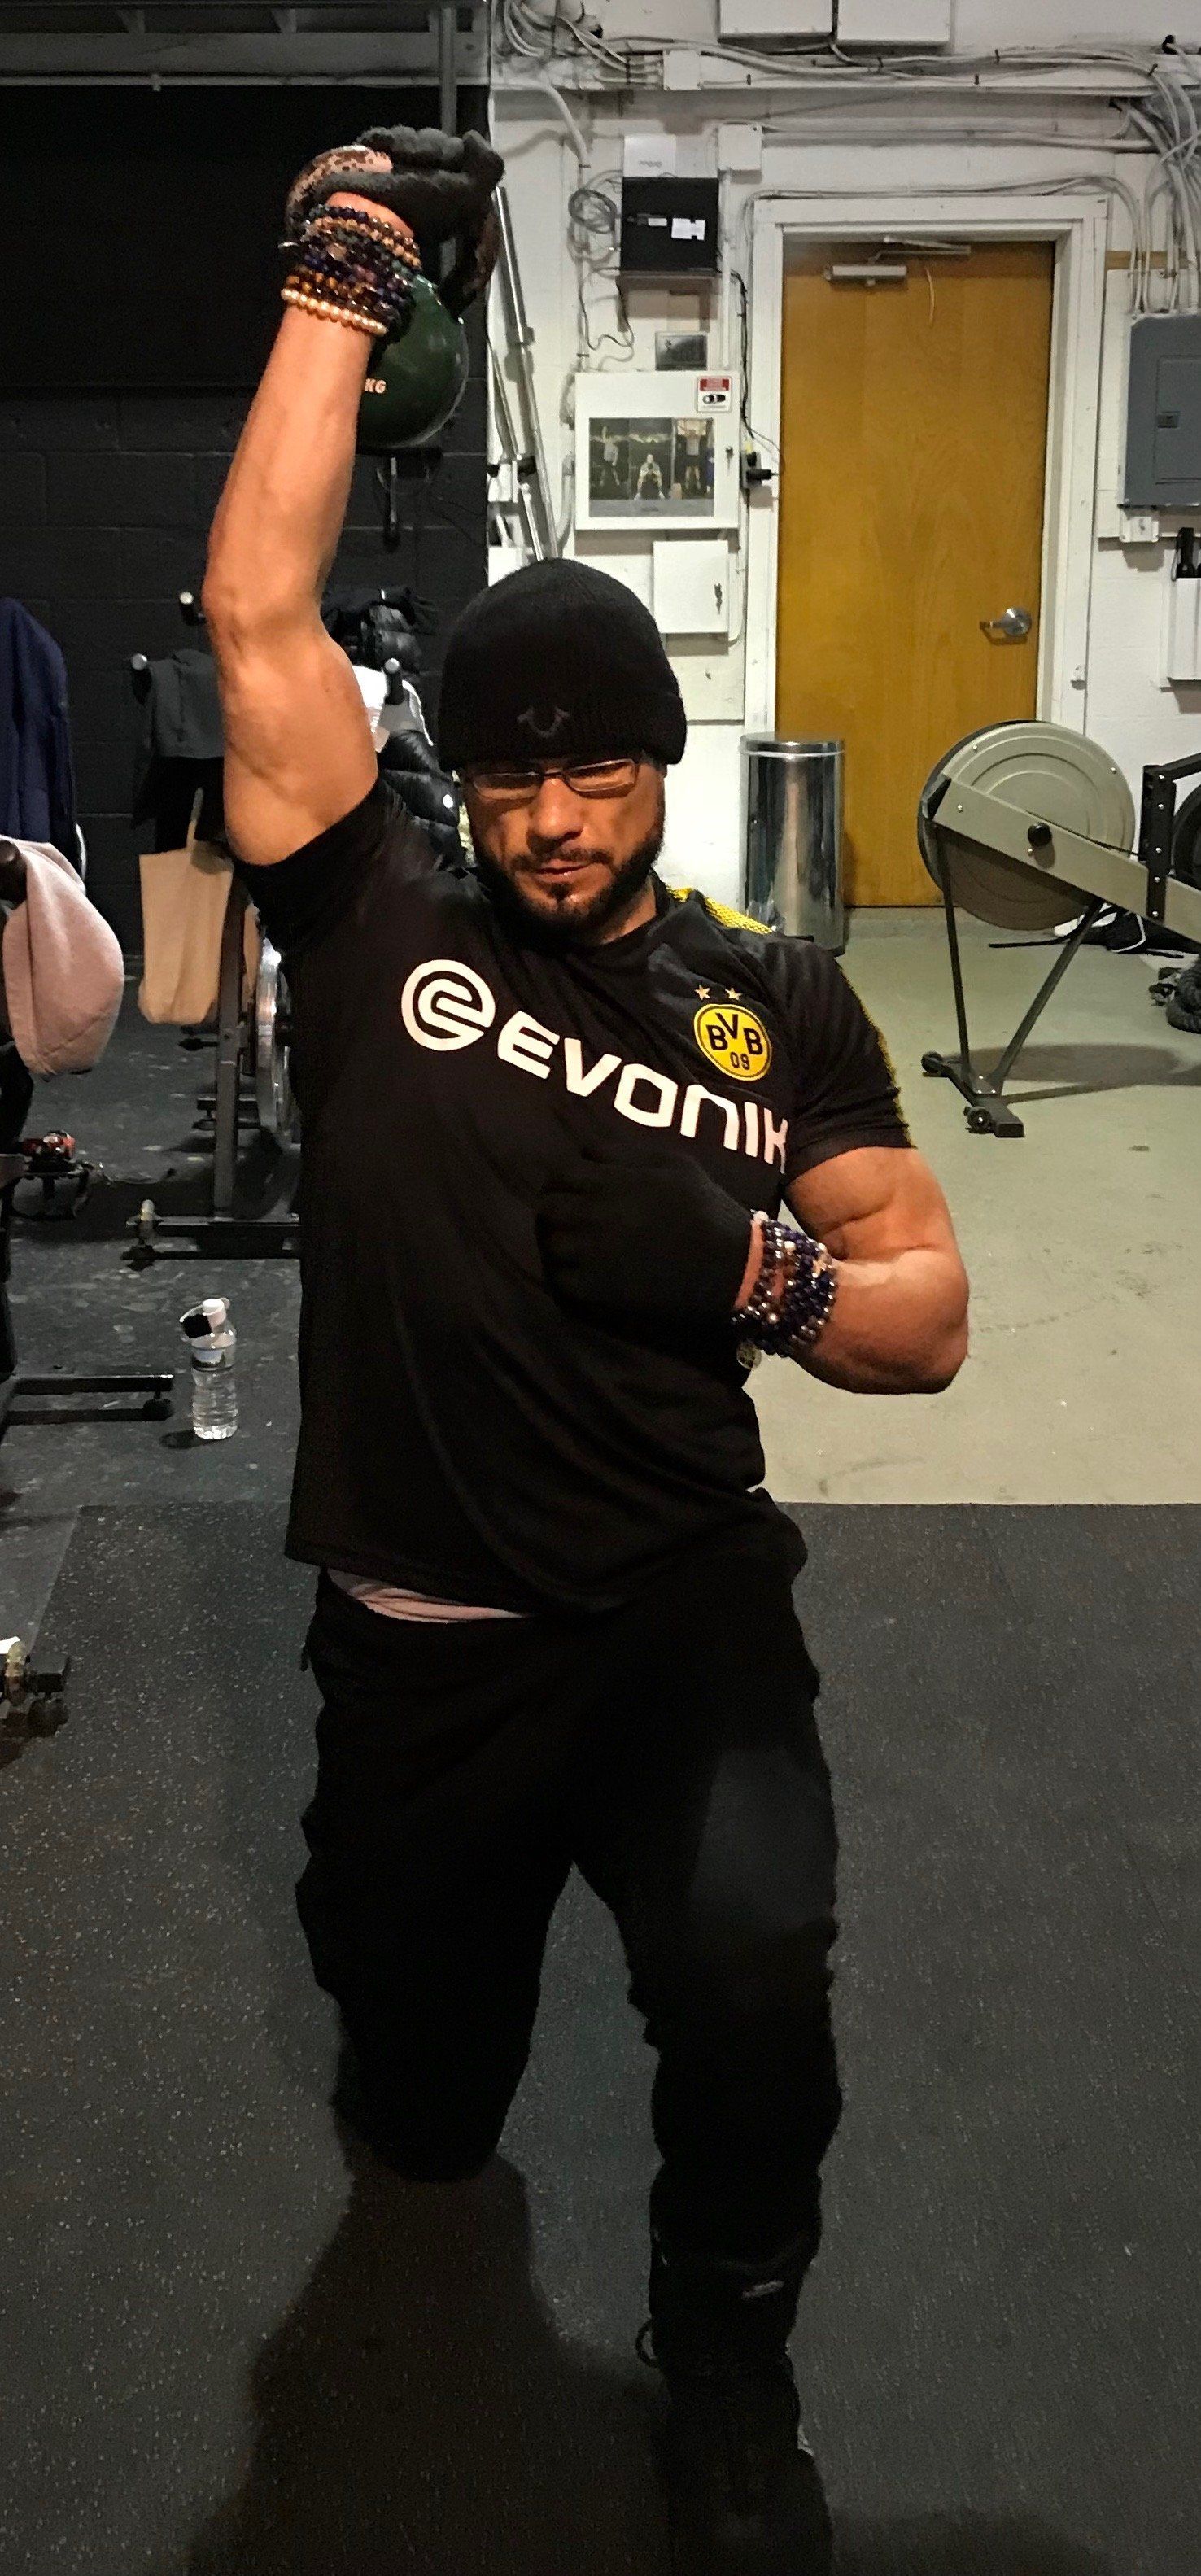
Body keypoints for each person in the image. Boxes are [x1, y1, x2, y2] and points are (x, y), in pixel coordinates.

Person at [203, 126, 970, 2576]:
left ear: (658, 761)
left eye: (596, 765)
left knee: (760, 2007)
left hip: (675, 1615)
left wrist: (751, 1277)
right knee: (421, 2102)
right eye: (515, 767)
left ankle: (728, 2371)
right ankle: (438, 2173)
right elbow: (255, 615)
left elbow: (926, 1313)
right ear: (471, 777)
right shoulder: (369, 908)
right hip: (421, 1631)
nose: (551, 813)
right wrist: (339, 283)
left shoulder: (766, 1001)